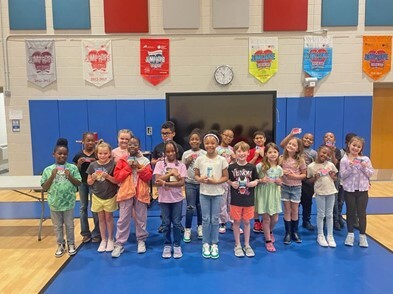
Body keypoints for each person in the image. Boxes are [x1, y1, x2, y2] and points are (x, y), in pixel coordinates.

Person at [112, 137, 153, 258]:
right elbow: (118, 177)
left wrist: (139, 167)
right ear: (127, 146)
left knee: (141, 218)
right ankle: (119, 244)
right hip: (126, 193)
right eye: (130, 144)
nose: (132, 146)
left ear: (139, 146)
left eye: (135, 144)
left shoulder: (145, 161)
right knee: (123, 218)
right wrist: (128, 168)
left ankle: (141, 240)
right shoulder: (122, 161)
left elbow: (148, 177)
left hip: (141, 193)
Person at [41, 138, 82, 257]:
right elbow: (44, 187)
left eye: (65, 154)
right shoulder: (48, 170)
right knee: (57, 226)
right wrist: (52, 177)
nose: (62, 156)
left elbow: (79, 183)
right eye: (59, 153)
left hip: (68, 202)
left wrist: (70, 177)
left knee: (69, 225)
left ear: (68, 155)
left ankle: (71, 244)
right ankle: (60, 244)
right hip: (54, 203)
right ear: (54, 154)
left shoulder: (72, 168)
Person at [194, 132, 229, 259]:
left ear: (217, 144)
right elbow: (196, 175)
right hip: (204, 193)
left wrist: (216, 181)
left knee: (215, 219)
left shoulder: (222, 160)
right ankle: (205, 243)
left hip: (217, 193)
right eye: (207, 143)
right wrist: (200, 179)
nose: (210, 145)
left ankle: (214, 243)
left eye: (212, 143)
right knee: (205, 219)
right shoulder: (200, 159)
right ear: (204, 144)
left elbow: (226, 177)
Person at [153, 140, 187, 259]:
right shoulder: (160, 165)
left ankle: (177, 245)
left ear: (176, 151)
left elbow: (181, 183)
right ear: (164, 153)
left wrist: (165, 184)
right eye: (168, 151)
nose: (170, 153)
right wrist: (170, 174)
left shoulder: (181, 165)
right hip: (164, 199)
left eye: (173, 151)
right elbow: (156, 182)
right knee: (166, 223)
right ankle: (167, 244)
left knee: (177, 223)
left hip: (177, 199)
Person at [340, 136, 374, 247]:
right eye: (354, 145)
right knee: (350, 212)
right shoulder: (344, 160)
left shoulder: (366, 159)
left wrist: (364, 167)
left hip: (363, 190)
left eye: (358, 147)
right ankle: (350, 235)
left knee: (362, 213)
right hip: (349, 190)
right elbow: (342, 175)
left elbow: (371, 173)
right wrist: (349, 167)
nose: (355, 148)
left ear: (361, 148)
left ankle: (362, 236)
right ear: (349, 145)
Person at [280, 130, 317, 231]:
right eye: (305, 138)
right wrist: (291, 134)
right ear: (301, 139)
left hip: (304, 181)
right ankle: (289, 230)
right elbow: (282, 144)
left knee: (306, 202)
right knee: (289, 207)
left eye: (310, 139)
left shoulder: (312, 153)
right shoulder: (285, 155)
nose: (307, 140)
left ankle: (306, 221)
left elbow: (314, 166)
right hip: (288, 183)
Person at [151, 121, 184, 233]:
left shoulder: (179, 148)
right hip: (163, 189)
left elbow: (181, 167)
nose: (165, 136)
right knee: (165, 216)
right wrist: (161, 162)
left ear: (173, 133)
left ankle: (178, 227)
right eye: (163, 133)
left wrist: (175, 173)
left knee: (176, 218)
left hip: (176, 193)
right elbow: (153, 161)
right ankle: (164, 226)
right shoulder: (158, 147)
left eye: (167, 133)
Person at [228, 141, 259, 257]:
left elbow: (257, 179)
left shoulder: (252, 167)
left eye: (243, 151)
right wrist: (231, 183)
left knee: (246, 222)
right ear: (235, 153)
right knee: (236, 222)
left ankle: (247, 244)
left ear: (248, 153)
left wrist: (253, 183)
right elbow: (227, 179)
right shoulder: (231, 167)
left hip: (248, 200)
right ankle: (237, 245)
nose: (241, 153)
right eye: (238, 151)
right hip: (236, 200)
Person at [87, 140, 119, 252]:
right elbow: (89, 182)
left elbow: (117, 181)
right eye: (100, 153)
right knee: (100, 219)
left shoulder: (113, 164)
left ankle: (111, 238)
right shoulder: (92, 165)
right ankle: (103, 239)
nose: (103, 156)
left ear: (110, 153)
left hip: (109, 195)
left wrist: (108, 176)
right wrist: (93, 178)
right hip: (97, 196)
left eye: (105, 153)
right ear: (97, 154)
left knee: (109, 218)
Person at [307, 146, 338, 248]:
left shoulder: (330, 165)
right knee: (321, 214)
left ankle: (330, 235)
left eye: (327, 154)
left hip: (331, 191)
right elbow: (308, 180)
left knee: (329, 214)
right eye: (323, 152)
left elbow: (335, 177)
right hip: (320, 192)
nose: (325, 155)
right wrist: (315, 177)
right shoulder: (311, 166)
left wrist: (333, 177)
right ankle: (320, 235)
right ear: (318, 151)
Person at [72, 132, 100, 243]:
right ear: (83, 142)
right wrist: (79, 164)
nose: (90, 143)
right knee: (83, 207)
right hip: (82, 184)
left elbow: (102, 166)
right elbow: (75, 170)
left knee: (95, 208)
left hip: (95, 184)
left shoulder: (97, 154)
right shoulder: (78, 155)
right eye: (88, 141)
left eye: (92, 140)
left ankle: (97, 232)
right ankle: (85, 233)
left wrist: (96, 162)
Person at [255, 143, 283, 252]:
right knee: (266, 218)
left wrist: (279, 182)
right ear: (265, 154)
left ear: (278, 154)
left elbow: (281, 182)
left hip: (274, 194)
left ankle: (269, 231)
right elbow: (254, 180)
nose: (272, 154)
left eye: (275, 152)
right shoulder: (260, 166)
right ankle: (268, 240)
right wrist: (261, 181)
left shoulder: (279, 168)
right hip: (264, 194)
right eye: (270, 152)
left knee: (275, 219)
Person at [280, 137, 306, 244]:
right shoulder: (282, 158)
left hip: (296, 187)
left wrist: (294, 176)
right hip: (285, 186)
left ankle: (295, 231)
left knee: (295, 210)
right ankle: (288, 232)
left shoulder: (301, 160)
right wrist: (282, 171)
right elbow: (276, 169)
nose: (290, 146)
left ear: (298, 149)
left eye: (293, 145)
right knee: (287, 209)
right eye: (289, 144)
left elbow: (304, 175)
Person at [182, 128, 206, 242]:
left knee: (200, 207)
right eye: (192, 139)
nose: (194, 141)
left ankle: (200, 227)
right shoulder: (186, 153)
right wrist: (187, 162)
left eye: (197, 139)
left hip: (201, 184)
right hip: (189, 183)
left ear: (200, 141)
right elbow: (182, 169)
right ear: (189, 141)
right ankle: (188, 228)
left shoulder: (204, 153)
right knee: (190, 207)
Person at [216, 128, 236, 234]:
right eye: (226, 135)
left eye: (231, 136)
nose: (228, 138)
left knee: (232, 201)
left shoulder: (233, 149)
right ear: (221, 135)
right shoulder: (216, 149)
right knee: (222, 201)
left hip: (232, 179)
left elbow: (237, 163)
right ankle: (222, 222)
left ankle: (233, 222)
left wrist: (234, 158)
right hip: (221, 179)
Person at [321, 132, 342, 231]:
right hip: (323, 178)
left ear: (334, 140)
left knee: (335, 200)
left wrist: (332, 152)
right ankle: (324, 220)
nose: (328, 138)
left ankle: (336, 220)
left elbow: (334, 163)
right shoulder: (320, 149)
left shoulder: (337, 150)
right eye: (326, 136)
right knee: (323, 199)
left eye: (331, 136)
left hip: (334, 178)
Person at [247, 130, 266, 233]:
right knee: (255, 202)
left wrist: (264, 156)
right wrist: (255, 156)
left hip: (266, 180)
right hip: (254, 179)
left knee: (265, 201)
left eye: (261, 138)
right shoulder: (250, 151)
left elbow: (273, 163)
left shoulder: (269, 150)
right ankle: (256, 221)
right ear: (254, 140)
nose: (259, 139)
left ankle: (264, 221)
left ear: (264, 139)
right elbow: (248, 166)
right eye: (257, 138)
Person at [338, 132, 357, 228]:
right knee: (340, 201)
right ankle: (338, 217)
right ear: (347, 142)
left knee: (354, 202)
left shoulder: (358, 155)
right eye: (352, 143)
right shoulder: (341, 153)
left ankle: (354, 219)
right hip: (343, 182)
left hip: (355, 183)